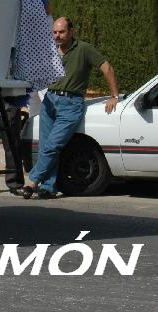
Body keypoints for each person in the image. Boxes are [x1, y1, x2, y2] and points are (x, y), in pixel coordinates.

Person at [22, 17, 120, 199]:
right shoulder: (51, 50)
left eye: (61, 32)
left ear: (71, 31)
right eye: (54, 32)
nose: (57, 36)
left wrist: (114, 96)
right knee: (46, 146)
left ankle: (32, 181)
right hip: (49, 101)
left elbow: (107, 68)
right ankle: (49, 187)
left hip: (71, 104)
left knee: (52, 145)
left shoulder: (84, 49)